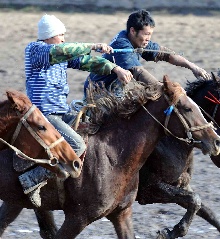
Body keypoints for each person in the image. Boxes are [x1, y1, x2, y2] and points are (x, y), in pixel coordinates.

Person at [20, 14, 133, 207]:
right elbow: (63, 49)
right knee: (77, 145)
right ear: (49, 35)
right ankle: (32, 178)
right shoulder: (36, 50)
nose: (64, 38)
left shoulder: (62, 55)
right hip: (42, 115)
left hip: (62, 111)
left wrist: (115, 69)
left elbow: (88, 62)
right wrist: (94, 45)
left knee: (94, 125)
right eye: (60, 34)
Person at [86, 9, 210, 91]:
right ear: (133, 31)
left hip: (119, 88)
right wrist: (163, 89)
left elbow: (166, 54)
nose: (148, 39)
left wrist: (193, 66)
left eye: (150, 34)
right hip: (100, 91)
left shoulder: (140, 41)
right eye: (146, 34)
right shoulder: (121, 44)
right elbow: (137, 71)